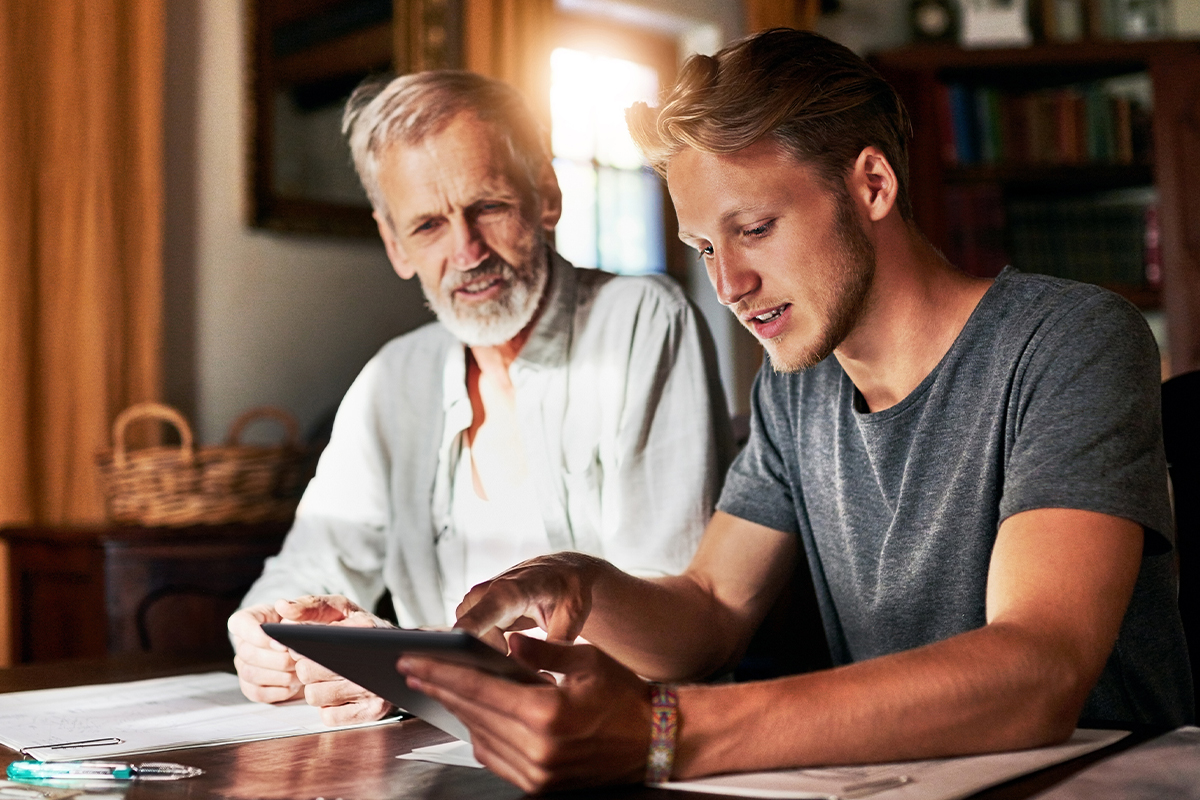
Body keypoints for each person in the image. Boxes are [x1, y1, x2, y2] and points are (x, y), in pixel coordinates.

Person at [396, 29, 1195, 793]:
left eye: (755, 229)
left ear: (872, 185)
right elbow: (709, 610)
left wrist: (663, 729)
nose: (728, 284)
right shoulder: (794, 387)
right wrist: (577, 581)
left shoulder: (1071, 341)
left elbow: (1038, 670)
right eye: (706, 247)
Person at [228, 71, 732, 726]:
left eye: (488, 206)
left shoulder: (642, 322)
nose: (467, 251)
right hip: (445, 756)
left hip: (627, 747)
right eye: (429, 225)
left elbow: (670, 634)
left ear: (546, 195)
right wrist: (267, 637)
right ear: (394, 244)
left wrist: (418, 667)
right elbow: (305, 569)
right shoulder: (392, 380)